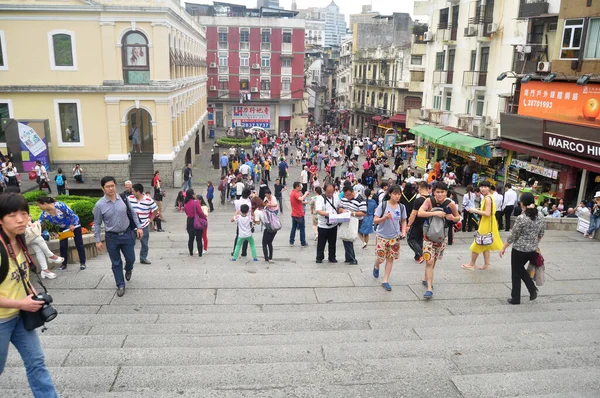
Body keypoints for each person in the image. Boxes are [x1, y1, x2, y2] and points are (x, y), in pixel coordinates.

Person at [0, 193, 60, 398]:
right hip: (1, 320)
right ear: (0, 219)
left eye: (24, 214)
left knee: (36, 363)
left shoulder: (20, 239)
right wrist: (20, 303)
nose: (20, 219)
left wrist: (31, 292)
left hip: (19, 317)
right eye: (12, 214)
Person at [93, 176, 143, 297]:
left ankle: (128, 268)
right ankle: (120, 284)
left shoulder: (123, 199)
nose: (110, 189)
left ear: (115, 186)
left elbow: (132, 213)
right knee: (116, 263)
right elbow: (97, 223)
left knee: (131, 258)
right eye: (107, 187)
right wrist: (98, 240)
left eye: (112, 186)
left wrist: (139, 227)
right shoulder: (99, 205)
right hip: (112, 237)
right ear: (103, 188)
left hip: (126, 234)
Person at [418, 181, 461, 299]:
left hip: (441, 237)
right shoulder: (429, 201)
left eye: (442, 192)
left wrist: (452, 217)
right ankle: (429, 288)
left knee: (433, 261)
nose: (440, 194)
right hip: (428, 236)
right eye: (437, 192)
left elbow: (458, 218)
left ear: (446, 192)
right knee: (429, 261)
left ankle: (426, 278)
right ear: (433, 192)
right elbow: (420, 213)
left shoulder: (450, 203)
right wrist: (435, 213)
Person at [500, 192, 544, 305]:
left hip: (519, 250)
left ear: (522, 204)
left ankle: (516, 298)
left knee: (516, 272)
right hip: (532, 250)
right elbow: (541, 233)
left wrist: (503, 247)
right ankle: (532, 289)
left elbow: (513, 235)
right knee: (519, 269)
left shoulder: (521, 218)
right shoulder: (540, 216)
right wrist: (534, 244)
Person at [36, 196, 87, 271]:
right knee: (63, 246)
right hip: (62, 228)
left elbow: (71, 214)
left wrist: (72, 224)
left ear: (45, 204)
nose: (38, 207)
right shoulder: (45, 213)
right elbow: (39, 222)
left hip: (74, 225)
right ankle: (63, 264)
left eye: (39, 205)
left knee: (79, 244)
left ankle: (82, 263)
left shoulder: (59, 205)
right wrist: (32, 226)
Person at [462, 181, 504, 271]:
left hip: (486, 223)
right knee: (485, 244)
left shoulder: (487, 198)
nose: (483, 189)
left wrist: (475, 211)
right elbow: (488, 210)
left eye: (485, 187)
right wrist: (478, 209)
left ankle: (472, 264)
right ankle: (486, 265)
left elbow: (487, 213)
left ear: (489, 188)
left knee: (477, 243)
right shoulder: (490, 197)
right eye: (481, 187)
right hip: (490, 222)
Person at [373, 184, 407, 291]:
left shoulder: (401, 207)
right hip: (382, 236)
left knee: (390, 258)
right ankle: (376, 265)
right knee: (380, 258)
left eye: (399, 194)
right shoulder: (383, 205)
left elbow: (404, 220)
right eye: (395, 194)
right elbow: (375, 220)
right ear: (390, 194)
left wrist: (403, 231)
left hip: (394, 237)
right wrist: (385, 218)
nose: (397, 196)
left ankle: (385, 280)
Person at [128, 184, 158, 264]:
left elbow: (155, 210)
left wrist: (151, 219)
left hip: (144, 225)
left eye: (133, 191)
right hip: (132, 225)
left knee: (144, 243)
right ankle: (130, 259)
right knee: (130, 243)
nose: (132, 192)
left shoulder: (148, 200)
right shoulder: (130, 198)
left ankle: (143, 258)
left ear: (138, 192)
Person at [339, 185, 367, 265]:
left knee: (349, 238)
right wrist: (342, 210)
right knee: (345, 237)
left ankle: (352, 259)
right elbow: (339, 207)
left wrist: (352, 213)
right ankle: (348, 257)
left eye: (349, 195)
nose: (347, 197)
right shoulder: (344, 198)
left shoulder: (360, 199)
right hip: (345, 220)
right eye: (346, 195)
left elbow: (363, 212)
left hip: (355, 220)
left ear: (352, 192)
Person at [315, 183, 341, 263]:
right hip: (323, 225)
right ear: (324, 191)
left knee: (332, 242)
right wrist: (328, 214)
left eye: (332, 192)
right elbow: (319, 211)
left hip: (333, 224)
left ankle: (332, 257)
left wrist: (341, 212)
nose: (330, 194)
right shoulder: (320, 199)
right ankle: (319, 257)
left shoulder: (336, 197)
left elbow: (339, 207)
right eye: (328, 192)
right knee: (321, 243)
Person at [407, 181, 430, 264]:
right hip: (427, 223)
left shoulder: (418, 200)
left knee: (411, 239)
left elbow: (414, 213)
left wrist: (409, 224)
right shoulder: (432, 199)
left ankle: (420, 254)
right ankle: (417, 256)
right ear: (428, 188)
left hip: (417, 223)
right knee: (420, 239)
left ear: (419, 189)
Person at [183, 189, 206, 257]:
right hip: (196, 221)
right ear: (192, 195)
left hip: (189, 221)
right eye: (194, 193)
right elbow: (200, 213)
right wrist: (204, 219)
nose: (195, 195)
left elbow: (187, 212)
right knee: (199, 238)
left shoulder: (185, 203)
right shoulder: (196, 202)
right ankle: (200, 253)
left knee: (191, 238)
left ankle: (191, 252)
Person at [232, 188, 252, 257]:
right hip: (248, 220)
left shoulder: (237, 202)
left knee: (238, 235)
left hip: (239, 219)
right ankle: (244, 252)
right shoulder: (249, 203)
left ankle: (235, 251)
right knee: (246, 235)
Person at [289, 181, 309, 247]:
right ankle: (303, 242)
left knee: (293, 228)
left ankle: (291, 241)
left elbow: (297, 201)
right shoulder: (295, 193)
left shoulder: (292, 193)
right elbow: (301, 198)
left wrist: (303, 203)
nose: (301, 187)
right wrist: (305, 194)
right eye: (300, 186)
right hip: (299, 214)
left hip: (294, 213)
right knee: (302, 228)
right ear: (297, 187)